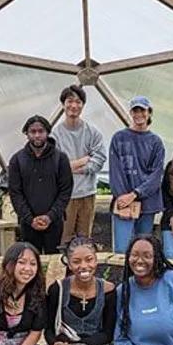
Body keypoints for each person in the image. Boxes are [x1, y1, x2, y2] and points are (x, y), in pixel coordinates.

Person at [51, 85, 108, 247]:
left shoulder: (92, 132)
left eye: (78, 102)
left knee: (84, 240)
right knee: (64, 240)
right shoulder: (55, 134)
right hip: (65, 196)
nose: (74, 106)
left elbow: (99, 159)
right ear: (63, 104)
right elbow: (56, 166)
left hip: (87, 194)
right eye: (70, 101)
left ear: (83, 105)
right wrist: (84, 159)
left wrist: (78, 168)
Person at [7, 115, 72, 254]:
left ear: (47, 132)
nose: (37, 135)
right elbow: (15, 193)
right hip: (28, 223)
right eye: (33, 131)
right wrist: (30, 219)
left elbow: (65, 191)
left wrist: (50, 216)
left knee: (54, 260)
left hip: (54, 222)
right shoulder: (17, 160)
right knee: (30, 259)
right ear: (27, 134)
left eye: (41, 131)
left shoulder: (60, 158)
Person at [108, 96, 165, 254]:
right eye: (135, 110)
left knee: (142, 250)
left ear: (149, 113)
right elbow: (115, 171)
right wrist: (122, 197)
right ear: (130, 113)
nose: (139, 114)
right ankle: (124, 279)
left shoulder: (156, 142)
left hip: (147, 204)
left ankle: (139, 280)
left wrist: (134, 194)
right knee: (121, 250)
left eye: (142, 110)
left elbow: (156, 176)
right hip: (123, 203)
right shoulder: (119, 138)